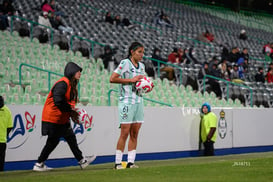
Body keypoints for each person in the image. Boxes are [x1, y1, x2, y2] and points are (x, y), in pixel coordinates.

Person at [33, 62, 96, 171]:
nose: (80, 73)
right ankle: (39, 163)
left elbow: (66, 102)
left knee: (63, 139)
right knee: (58, 140)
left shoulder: (70, 85)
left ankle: (81, 161)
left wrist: (72, 111)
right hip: (54, 117)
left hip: (60, 117)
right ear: (71, 72)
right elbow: (58, 101)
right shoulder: (62, 83)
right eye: (78, 71)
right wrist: (71, 111)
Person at [110, 42, 147, 169]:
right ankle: (118, 163)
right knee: (124, 132)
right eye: (139, 52)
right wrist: (130, 80)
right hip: (126, 102)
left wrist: (147, 87)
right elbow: (112, 78)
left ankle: (130, 162)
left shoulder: (142, 66)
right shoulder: (125, 63)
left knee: (135, 133)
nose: (142, 55)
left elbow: (141, 83)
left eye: (143, 52)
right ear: (132, 52)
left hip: (139, 102)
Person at [0, 96, 13, 172]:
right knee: (1, 159)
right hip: (2, 140)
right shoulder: (7, 110)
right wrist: (5, 135)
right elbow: (10, 126)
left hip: (2, 139)